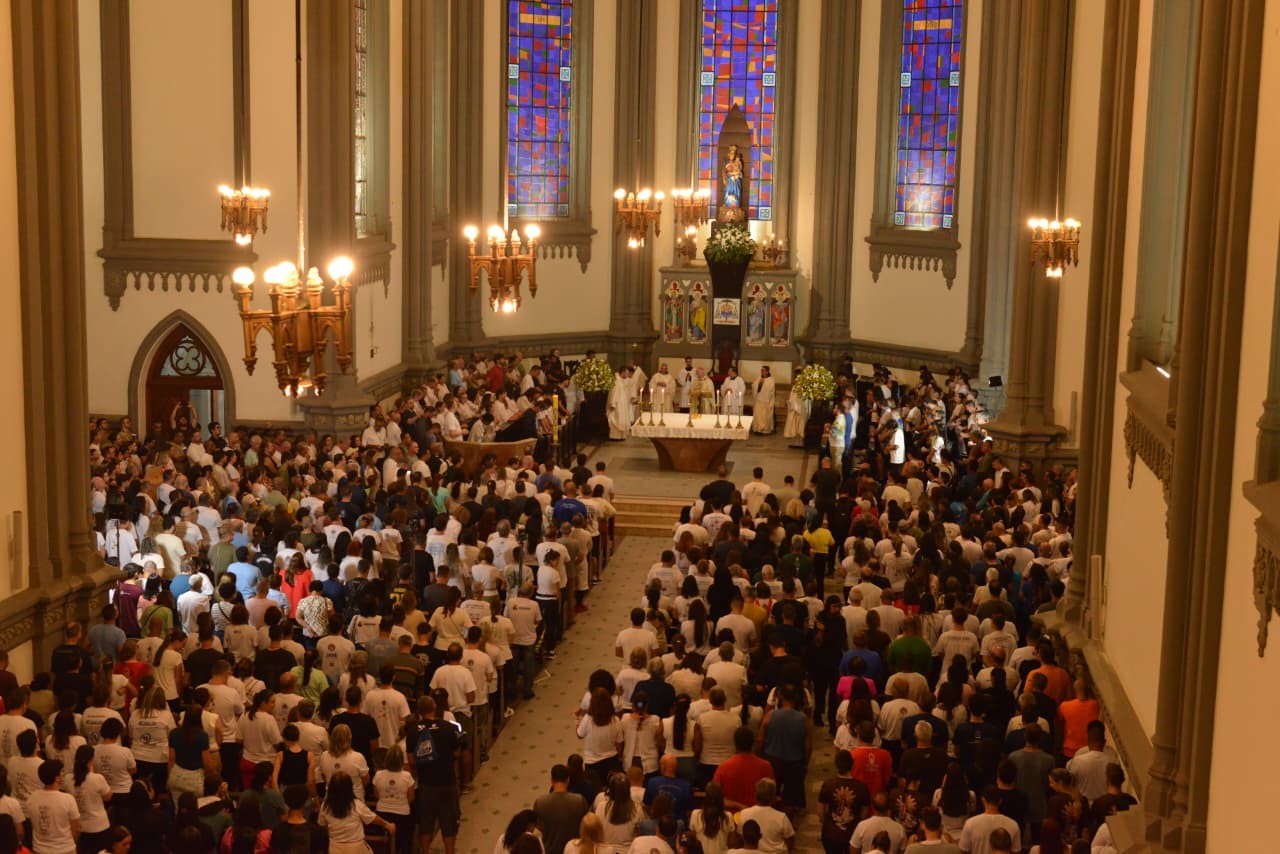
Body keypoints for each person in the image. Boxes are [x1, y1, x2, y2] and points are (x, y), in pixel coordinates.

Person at [317, 771, 396, 854]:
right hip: (356, 848)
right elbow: (372, 818)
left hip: (334, 847)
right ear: (349, 787)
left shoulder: (325, 807)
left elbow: (322, 824)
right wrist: (387, 824)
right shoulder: (356, 805)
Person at [817, 750, 870, 854]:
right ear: (852, 764)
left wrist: (828, 824)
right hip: (852, 835)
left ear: (836, 765)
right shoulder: (861, 787)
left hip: (830, 834)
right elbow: (864, 814)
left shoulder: (828, 784)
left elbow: (820, 812)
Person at [24, 759, 80, 854]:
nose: (63, 774)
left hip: (40, 849)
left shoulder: (32, 798)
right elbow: (76, 828)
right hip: (65, 849)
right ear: (57, 778)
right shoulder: (68, 799)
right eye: (61, 772)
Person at [535, 763, 590, 854]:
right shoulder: (579, 801)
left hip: (551, 850)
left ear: (552, 781)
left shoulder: (540, 802)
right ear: (568, 780)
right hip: (575, 849)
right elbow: (587, 823)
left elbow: (537, 824)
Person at [735, 778, 794, 854]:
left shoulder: (744, 814)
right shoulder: (781, 817)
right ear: (774, 797)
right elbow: (790, 840)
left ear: (756, 795)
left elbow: (740, 837)